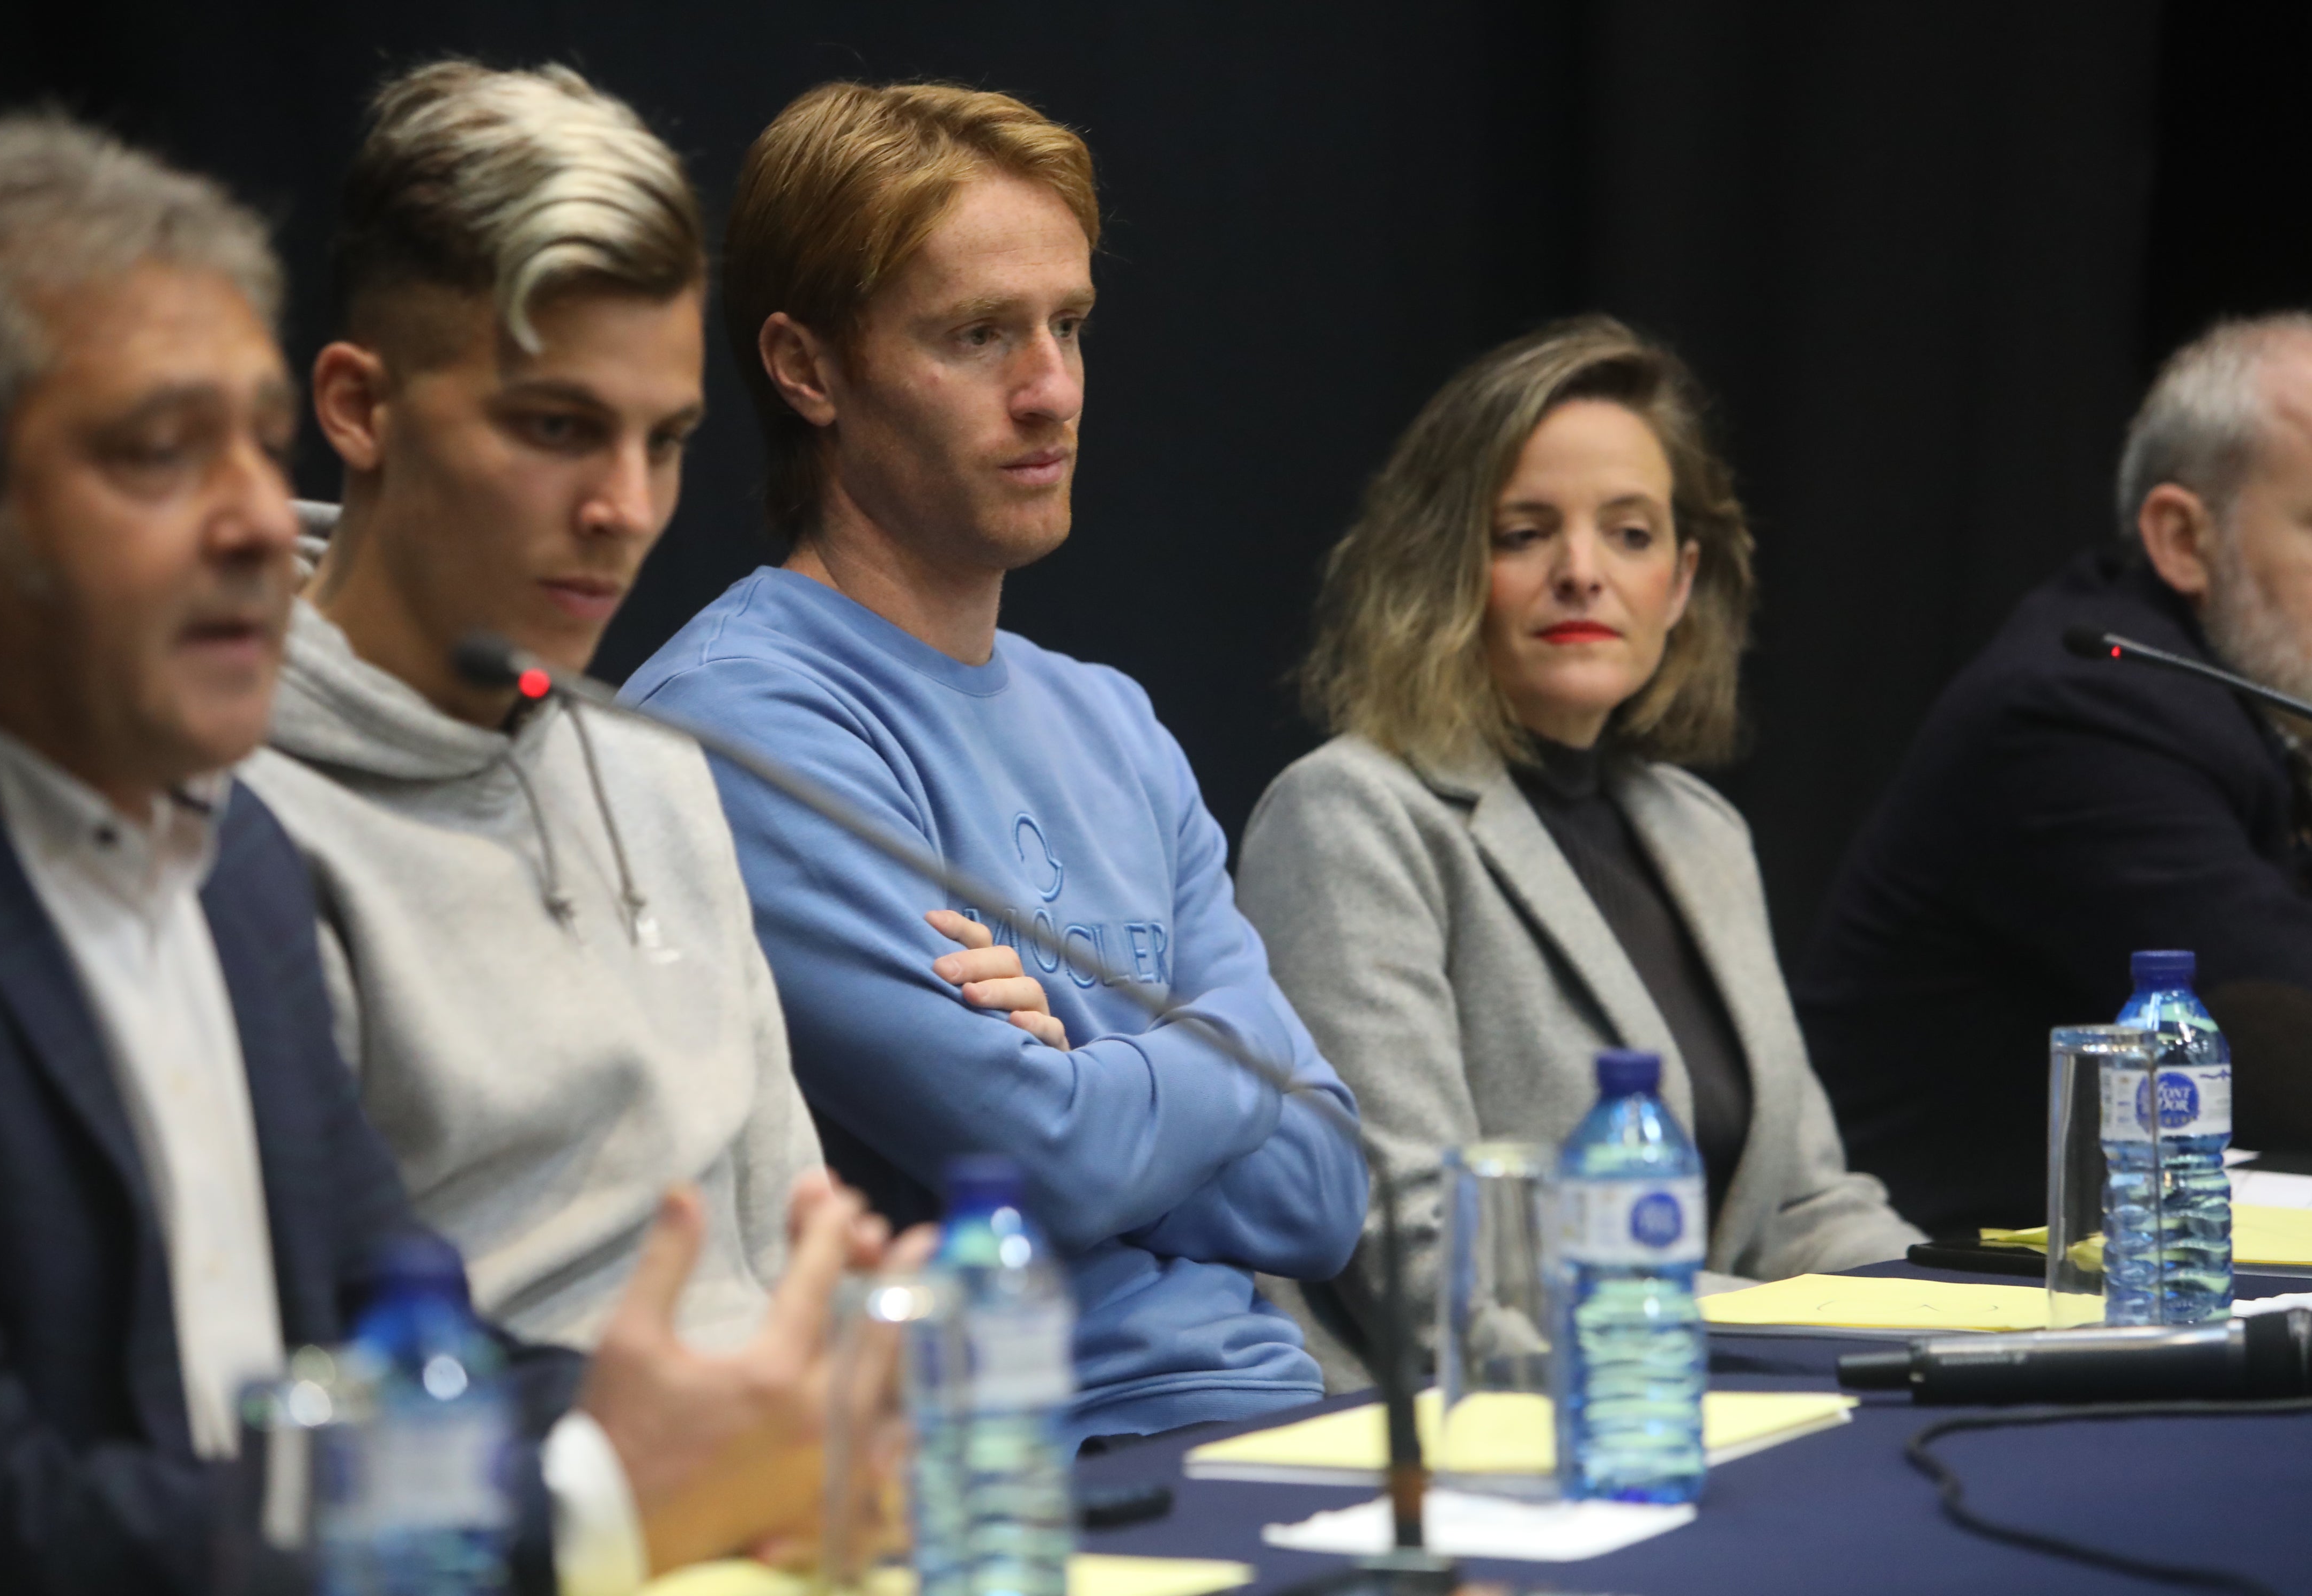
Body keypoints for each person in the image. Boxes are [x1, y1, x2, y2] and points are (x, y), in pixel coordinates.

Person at [0, 112, 912, 1595]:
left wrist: (711, 1427)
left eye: (254, 446)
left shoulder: (217, 868)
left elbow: (421, 1343)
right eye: (153, 456)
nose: (260, 520)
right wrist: (596, 1488)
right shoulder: (220, 848)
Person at [623, 80, 1366, 1443]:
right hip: (1011, 1470)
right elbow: (1051, 1159)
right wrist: (1215, 1045)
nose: (1052, 392)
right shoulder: (742, 723)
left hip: (1275, 1419)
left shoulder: (1112, 719)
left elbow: (1325, 1189)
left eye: (1069, 326)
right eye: (978, 336)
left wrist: (1081, 1041)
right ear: (808, 369)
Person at [234, 59, 834, 1356]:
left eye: (665, 441)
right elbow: (312, 1377)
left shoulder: (657, 769)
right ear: (360, 408)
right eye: (559, 427)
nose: (625, 506)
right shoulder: (232, 815)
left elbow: (798, 1255)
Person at [1236, 317, 1920, 1384]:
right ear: (1442, 565)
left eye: (1631, 535)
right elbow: (1420, 1243)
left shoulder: (1702, 831)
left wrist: (1961, 1327)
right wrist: (1736, 1350)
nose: (1582, 573)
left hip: (1725, 1396)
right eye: (1524, 533)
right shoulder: (1349, 817)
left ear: (1682, 583)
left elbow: (1806, 1208)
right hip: (1500, 1426)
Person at [1800, 314, 2312, 1234]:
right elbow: (2284, 1039)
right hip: (1935, 1299)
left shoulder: (2265, 710)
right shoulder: (2083, 709)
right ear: (2184, 540)